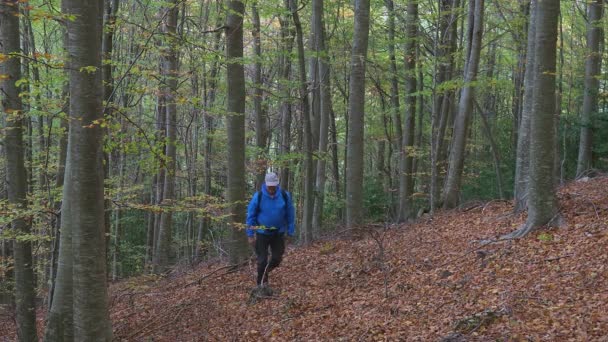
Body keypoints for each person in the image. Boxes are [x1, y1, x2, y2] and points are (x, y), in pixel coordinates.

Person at [246, 172, 295, 291]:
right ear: (265, 184)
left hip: (278, 233)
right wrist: (250, 234)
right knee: (262, 260)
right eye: (269, 186)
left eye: (273, 186)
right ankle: (260, 284)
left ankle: (266, 271)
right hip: (262, 233)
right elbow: (251, 216)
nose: (272, 189)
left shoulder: (284, 195)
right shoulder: (258, 196)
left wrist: (290, 231)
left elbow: (290, 214)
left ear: (277, 184)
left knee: (277, 258)